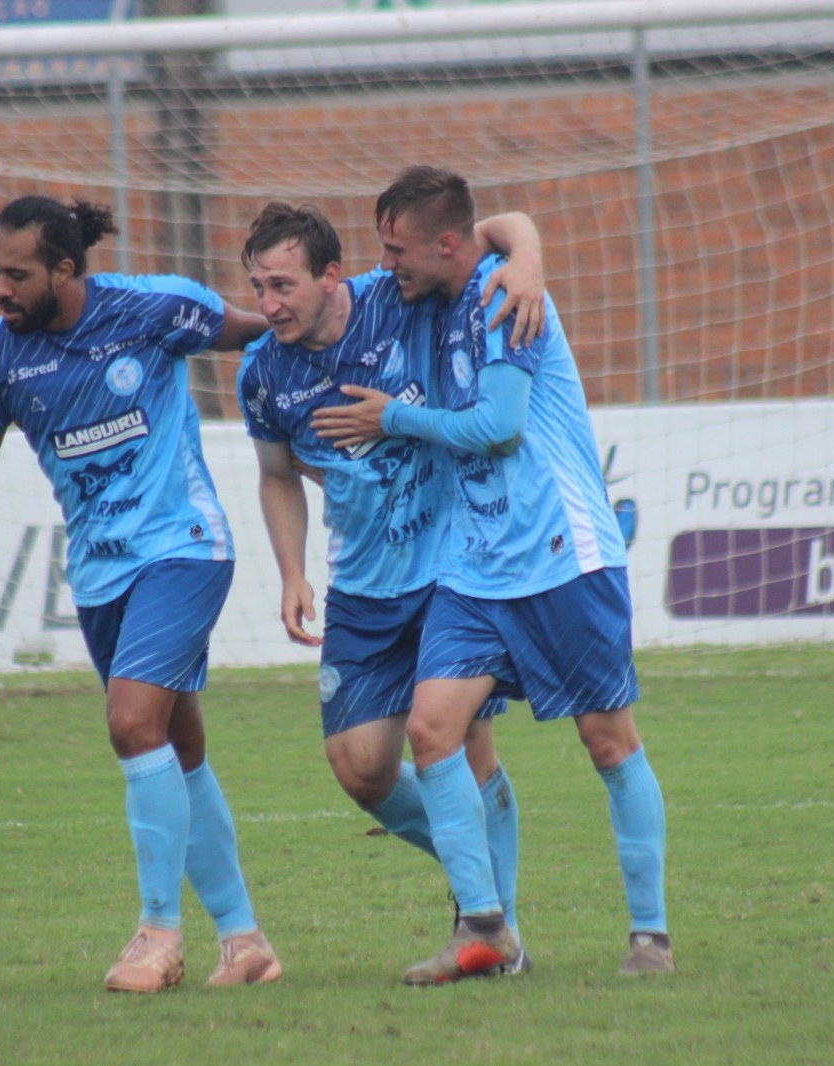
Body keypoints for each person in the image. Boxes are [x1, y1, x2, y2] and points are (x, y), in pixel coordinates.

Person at [312, 166, 672, 984]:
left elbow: (503, 426)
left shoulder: (506, 298)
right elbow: (501, 223)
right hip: (476, 569)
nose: (386, 264)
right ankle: (485, 929)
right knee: (433, 730)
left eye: (397, 250)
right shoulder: (442, 288)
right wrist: (525, 241)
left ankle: (651, 935)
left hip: (561, 556)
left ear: (447, 245)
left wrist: (393, 417)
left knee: (608, 741)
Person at [0, 194, 282, 994]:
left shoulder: (153, 310)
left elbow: (262, 329)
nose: (0, 289)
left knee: (131, 723)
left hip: (184, 547)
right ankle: (246, 942)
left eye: (17, 275)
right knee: (177, 748)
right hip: (100, 574)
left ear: (64, 270)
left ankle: (158, 937)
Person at [236, 202, 545, 976]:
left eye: (282, 286)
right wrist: (294, 572)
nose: (268, 305)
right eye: (258, 288)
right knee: (361, 767)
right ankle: (477, 879)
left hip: (451, 568)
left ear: (331, 276)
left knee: (462, 742)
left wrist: (529, 258)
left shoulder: (399, 298)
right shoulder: (263, 375)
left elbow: (488, 228)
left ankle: (494, 930)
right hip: (364, 586)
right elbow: (277, 477)